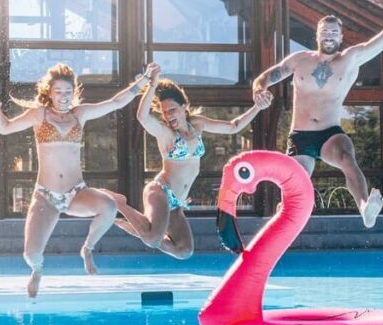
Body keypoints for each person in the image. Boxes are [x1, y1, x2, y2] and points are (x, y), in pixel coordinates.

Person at [252, 0, 383, 228]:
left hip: (330, 133)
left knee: (346, 157)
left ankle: (365, 208)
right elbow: (266, 77)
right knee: (295, 184)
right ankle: (284, 215)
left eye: (334, 32)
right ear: (317, 35)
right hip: (300, 136)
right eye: (325, 32)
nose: (329, 36)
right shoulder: (299, 60)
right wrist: (258, 90)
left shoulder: (351, 59)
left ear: (341, 37)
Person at [0, 62, 156, 298]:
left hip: (76, 193)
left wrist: (145, 80)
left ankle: (87, 248)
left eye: (68, 92)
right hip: (46, 196)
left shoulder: (79, 114)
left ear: (74, 92)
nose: (63, 97)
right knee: (31, 254)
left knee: (109, 207)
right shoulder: (39, 115)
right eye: (58, 91)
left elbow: (116, 102)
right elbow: (4, 128)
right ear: (49, 92)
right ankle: (38, 269)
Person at [108, 64, 271, 258]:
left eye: (172, 109)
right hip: (160, 191)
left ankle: (139, 230)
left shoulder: (197, 124)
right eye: (165, 112)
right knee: (153, 239)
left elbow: (233, 126)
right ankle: (120, 204)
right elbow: (142, 117)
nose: (169, 115)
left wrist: (257, 107)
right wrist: (152, 85)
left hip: (177, 202)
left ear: (184, 107)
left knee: (184, 251)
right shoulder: (166, 134)